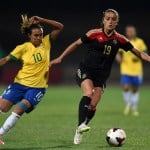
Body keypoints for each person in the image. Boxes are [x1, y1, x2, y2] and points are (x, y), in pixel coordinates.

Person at [50, 8, 150, 145]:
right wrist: (60, 57)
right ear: (103, 20)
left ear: (116, 23)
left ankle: (81, 127)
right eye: (107, 18)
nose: (110, 21)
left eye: (113, 19)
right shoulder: (93, 34)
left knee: (93, 105)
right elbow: (76, 44)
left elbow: (138, 53)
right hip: (85, 70)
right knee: (88, 93)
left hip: (101, 77)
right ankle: (80, 126)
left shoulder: (120, 39)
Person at [0, 15, 63, 145]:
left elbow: (60, 27)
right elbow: (6, 60)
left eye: (40, 35)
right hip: (19, 84)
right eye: (36, 35)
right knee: (3, 108)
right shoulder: (22, 48)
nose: (39, 38)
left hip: (37, 88)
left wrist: (43, 20)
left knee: (19, 110)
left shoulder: (46, 42)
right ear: (29, 36)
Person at [116, 25, 148, 116]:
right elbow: (118, 53)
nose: (130, 33)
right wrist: (119, 58)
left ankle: (134, 108)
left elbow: (145, 53)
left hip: (137, 71)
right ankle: (128, 105)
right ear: (126, 32)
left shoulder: (139, 42)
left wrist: (138, 58)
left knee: (135, 90)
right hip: (125, 69)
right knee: (125, 88)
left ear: (135, 32)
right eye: (128, 31)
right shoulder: (123, 41)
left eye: (132, 31)